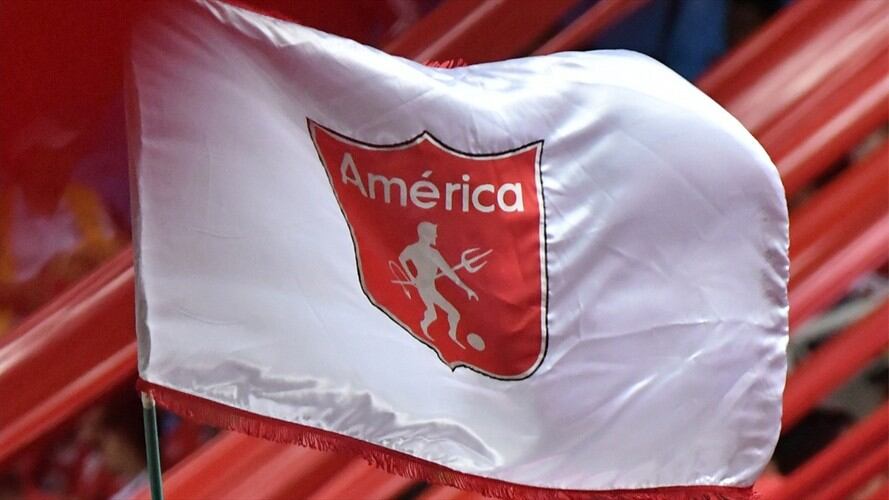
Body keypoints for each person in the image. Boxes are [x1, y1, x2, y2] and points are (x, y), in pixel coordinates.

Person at [399, 222, 477, 348]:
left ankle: (450, 336)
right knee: (440, 314)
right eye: (433, 235)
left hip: (430, 287)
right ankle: (423, 334)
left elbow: (451, 274)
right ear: (425, 236)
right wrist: (411, 277)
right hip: (423, 287)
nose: (436, 237)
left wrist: (467, 289)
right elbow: (402, 258)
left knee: (450, 314)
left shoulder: (434, 254)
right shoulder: (413, 249)